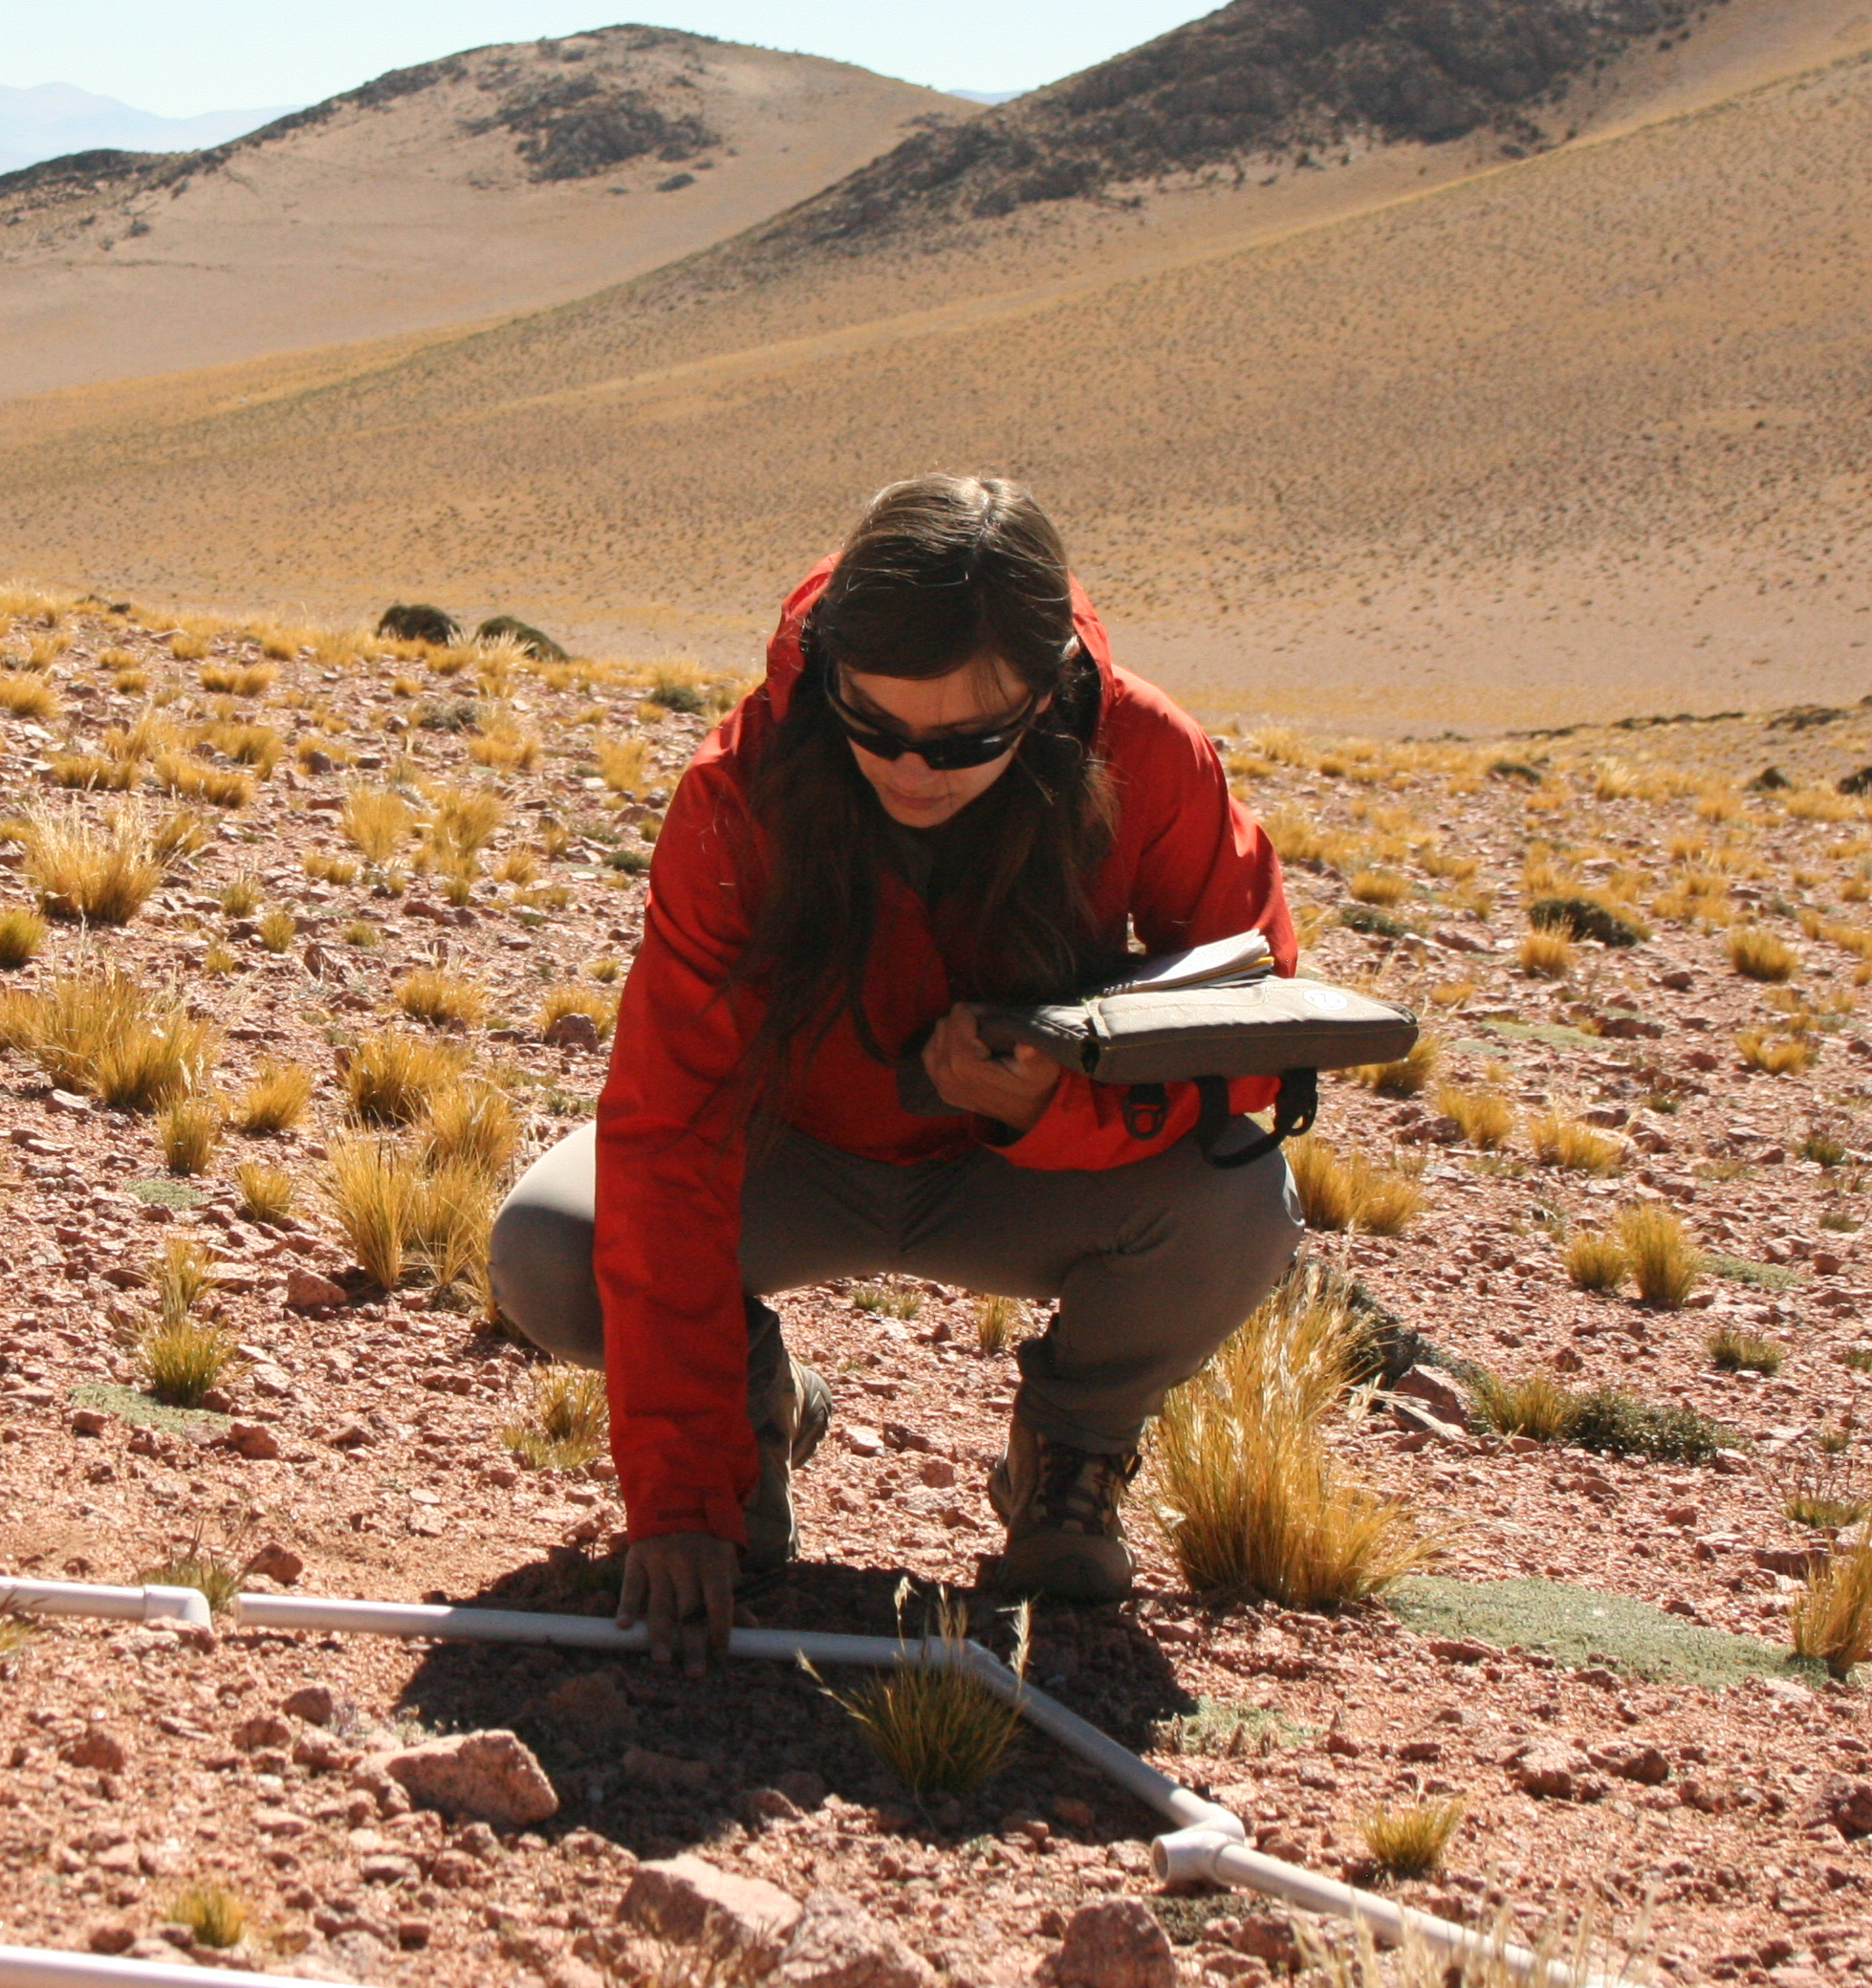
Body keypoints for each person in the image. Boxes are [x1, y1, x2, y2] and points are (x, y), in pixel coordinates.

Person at [491, 476, 1304, 1670]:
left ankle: (1069, 1460)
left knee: (1245, 1203)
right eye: (872, 725)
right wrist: (680, 1500)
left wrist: (1062, 1106)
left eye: (965, 742)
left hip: (1024, 1177)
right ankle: (753, 1418)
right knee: (549, 1247)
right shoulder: (742, 786)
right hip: (794, 1161)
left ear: (1049, 695)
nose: (910, 771)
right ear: (829, 673)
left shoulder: (1152, 756)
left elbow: (1261, 1036)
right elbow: (669, 1128)